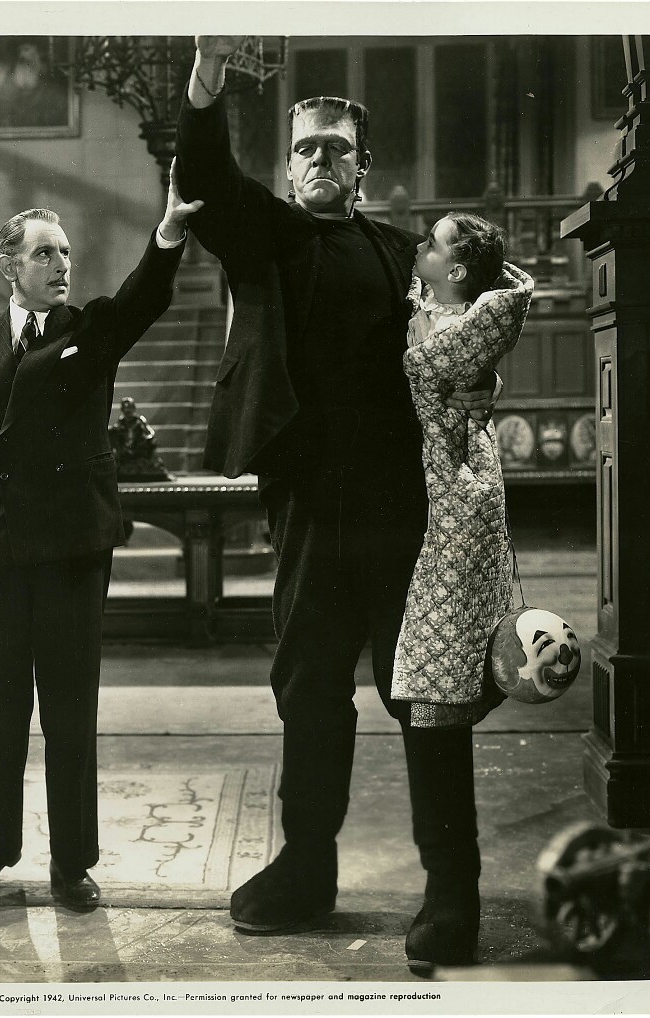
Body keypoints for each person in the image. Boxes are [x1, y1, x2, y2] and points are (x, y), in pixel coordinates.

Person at [175, 37, 500, 966]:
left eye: (338, 150)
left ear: (365, 167)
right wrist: (208, 74)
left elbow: (465, 333)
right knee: (311, 687)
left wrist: (479, 375)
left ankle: (453, 888)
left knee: (429, 690)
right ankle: (307, 866)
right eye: (306, 149)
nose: (322, 161)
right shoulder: (266, 236)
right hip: (311, 503)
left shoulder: (404, 253)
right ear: (288, 167)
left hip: (409, 508)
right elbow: (205, 174)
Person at [0, 163, 201, 908]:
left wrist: (168, 233)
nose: (61, 265)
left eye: (65, 253)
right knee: (0, 708)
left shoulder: (90, 330)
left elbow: (143, 297)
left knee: (69, 710)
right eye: (44, 254)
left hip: (72, 551)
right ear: (9, 266)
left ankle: (71, 864)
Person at [393, 213, 534, 729]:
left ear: (455, 273)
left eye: (431, 243)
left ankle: (451, 700)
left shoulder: (454, 325)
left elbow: (442, 365)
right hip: (416, 459)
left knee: (451, 592)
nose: (419, 246)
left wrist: (461, 370)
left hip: (449, 464)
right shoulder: (429, 302)